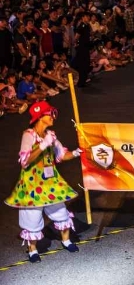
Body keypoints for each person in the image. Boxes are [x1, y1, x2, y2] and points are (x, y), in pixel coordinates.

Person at [5, 101, 82, 263]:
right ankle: (32, 249)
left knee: (61, 213)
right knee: (32, 218)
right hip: (32, 185)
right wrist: (42, 145)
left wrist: (76, 153)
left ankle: (66, 240)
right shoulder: (28, 135)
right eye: (50, 113)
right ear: (40, 117)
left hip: (50, 183)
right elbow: (25, 160)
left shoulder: (50, 135)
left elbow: (61, 155)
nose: (53, 116)